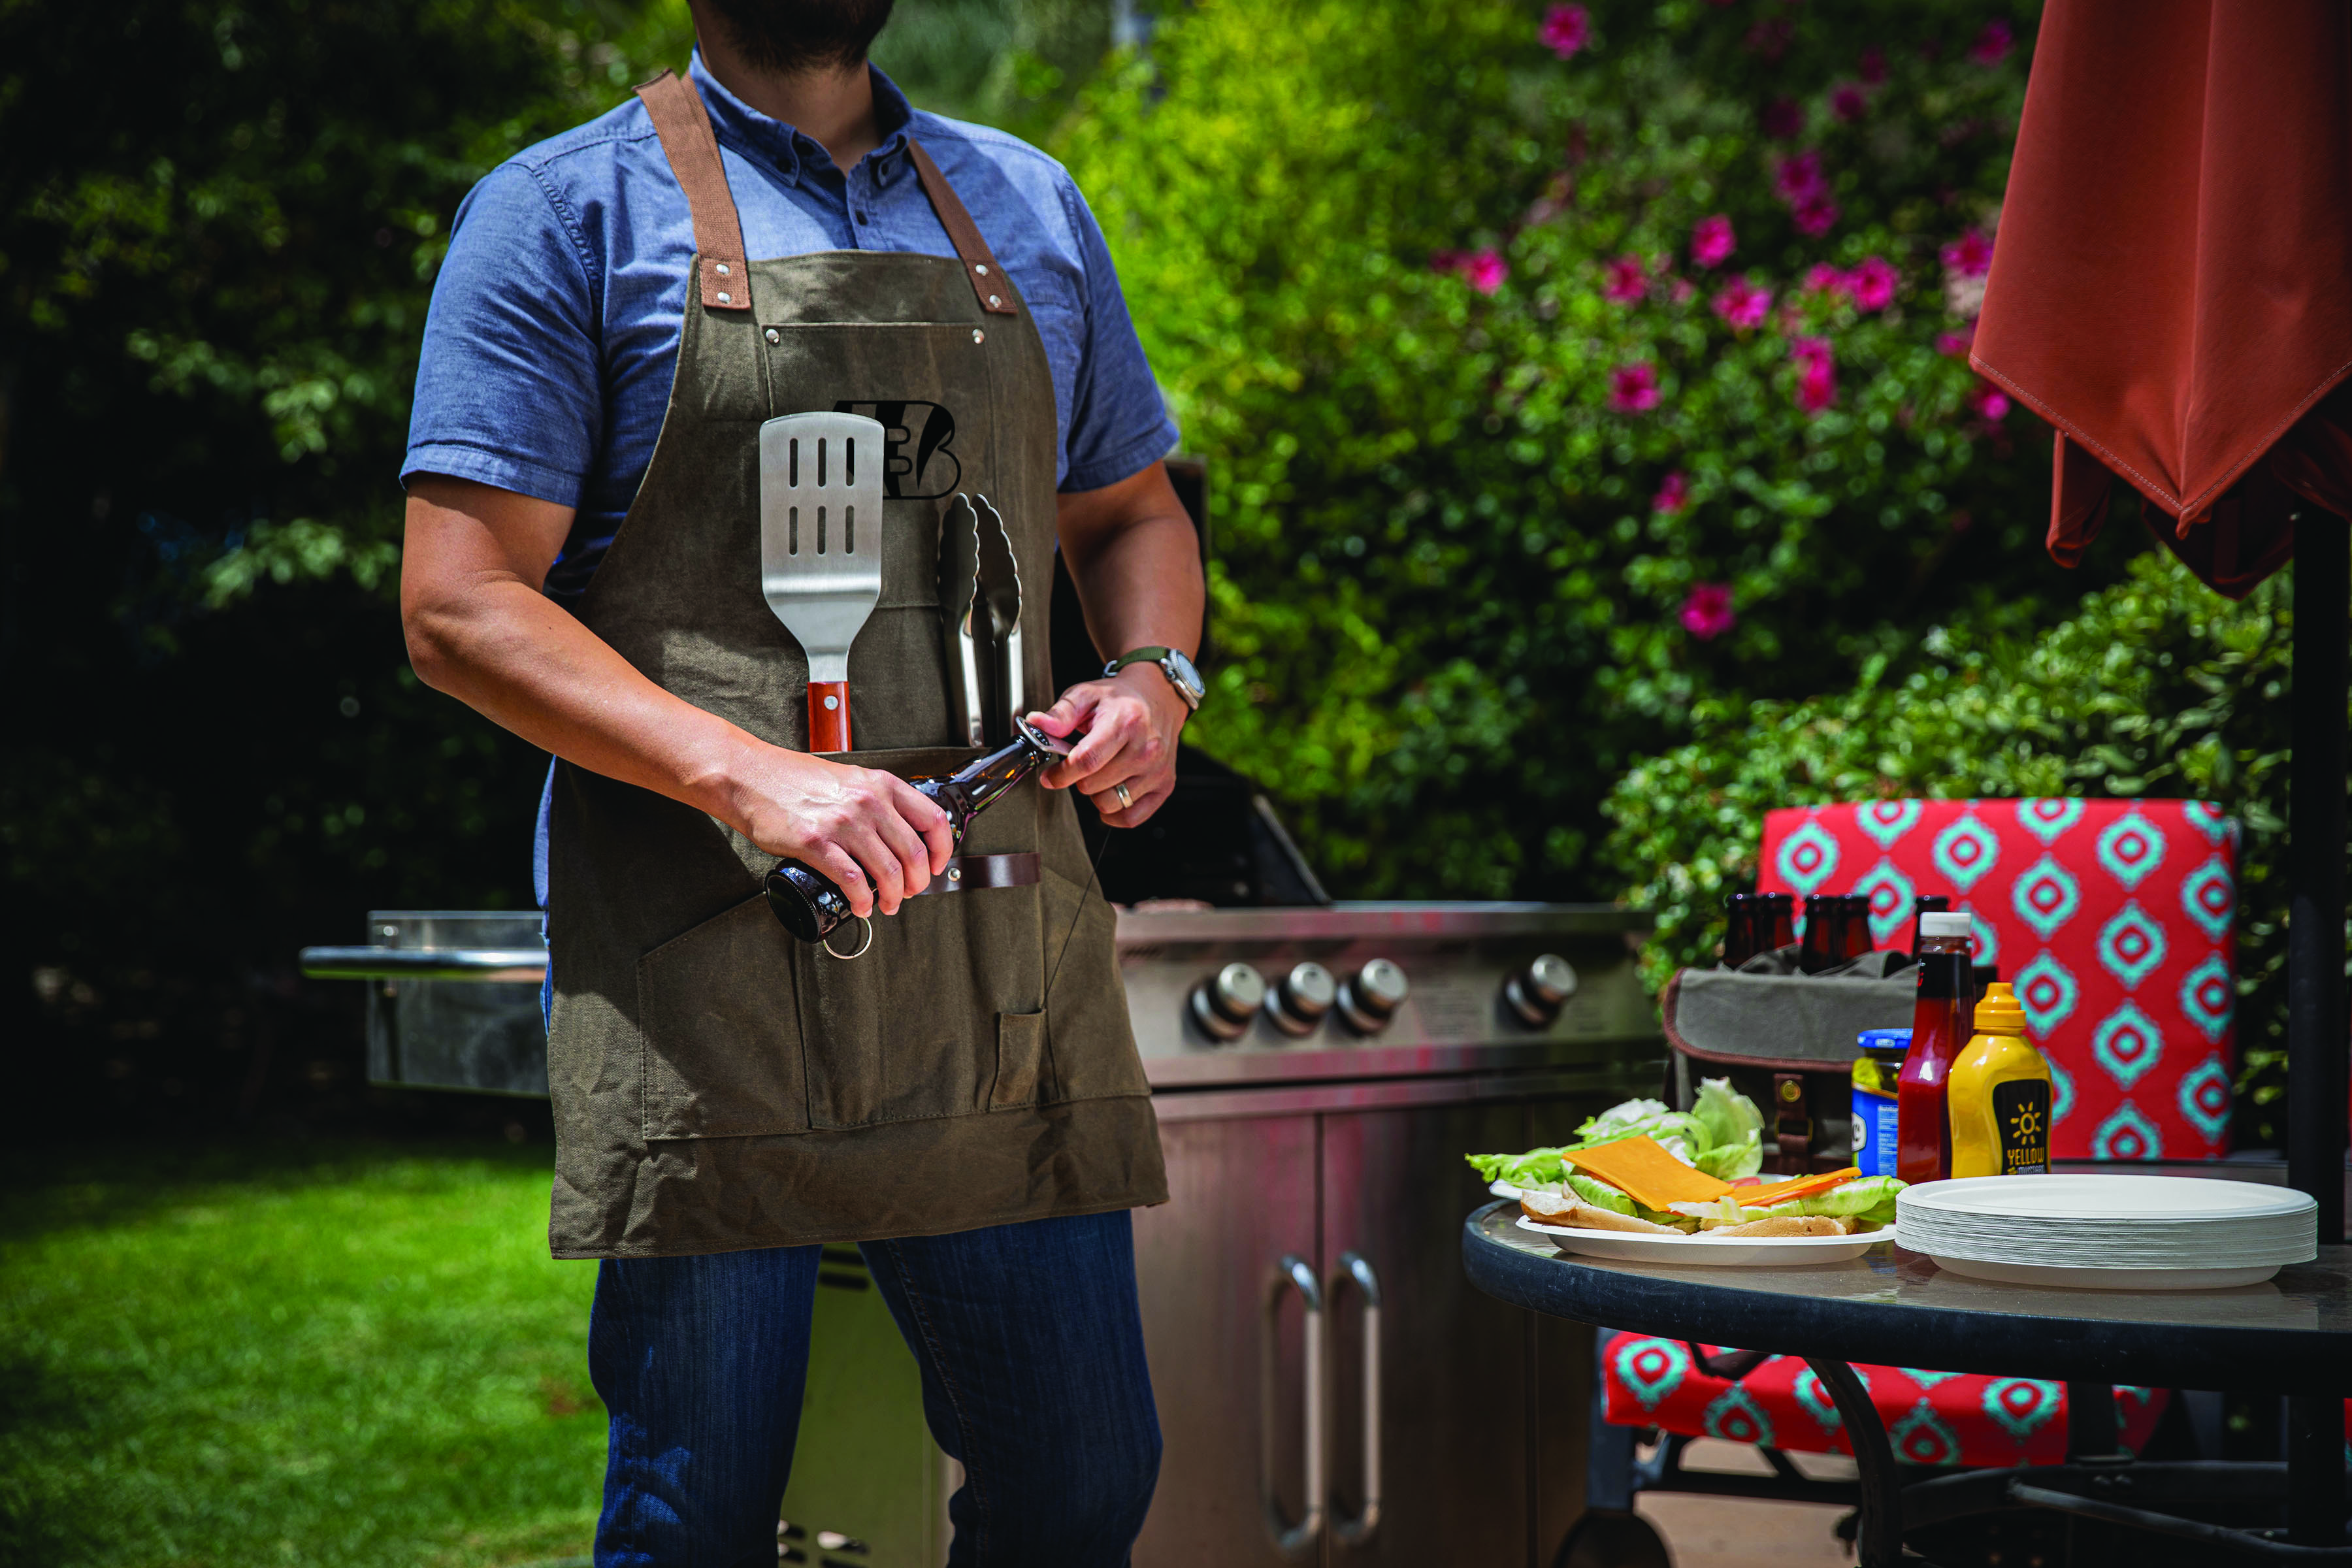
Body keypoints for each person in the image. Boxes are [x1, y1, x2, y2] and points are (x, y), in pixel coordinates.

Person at [397, 0, 1204, 1560]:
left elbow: (1132, 516)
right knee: (697, 1512)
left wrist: (1153, 678)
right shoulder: (564, 210)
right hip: (711, 959)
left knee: (1082, 1481)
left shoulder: (1029, 202)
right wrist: (751, 776)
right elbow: (460, 602)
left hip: (993, 958)